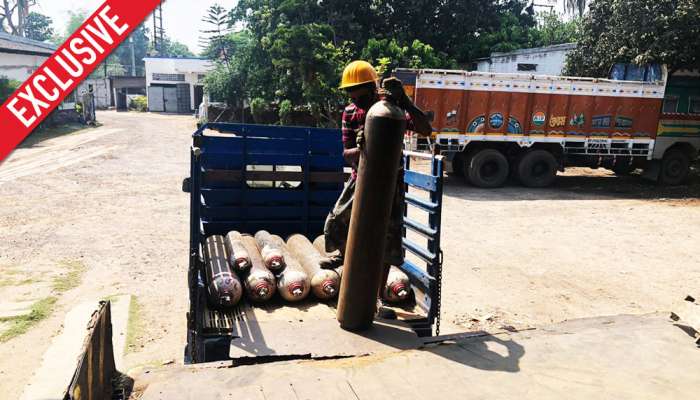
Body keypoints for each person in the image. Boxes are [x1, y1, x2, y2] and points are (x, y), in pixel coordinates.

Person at [321, 60, 432, 318]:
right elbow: (346, 154)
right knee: (336, 223)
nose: (356, 101)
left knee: (386, 240)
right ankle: (347, 266)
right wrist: (361, 147)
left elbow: (426, 130)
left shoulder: (392, 110)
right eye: (352, 95)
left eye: (361, 95)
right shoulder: (350, 113)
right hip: (361, 178)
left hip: (390, 185)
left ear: (373, 87)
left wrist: (406, 102)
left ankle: (378, 297)